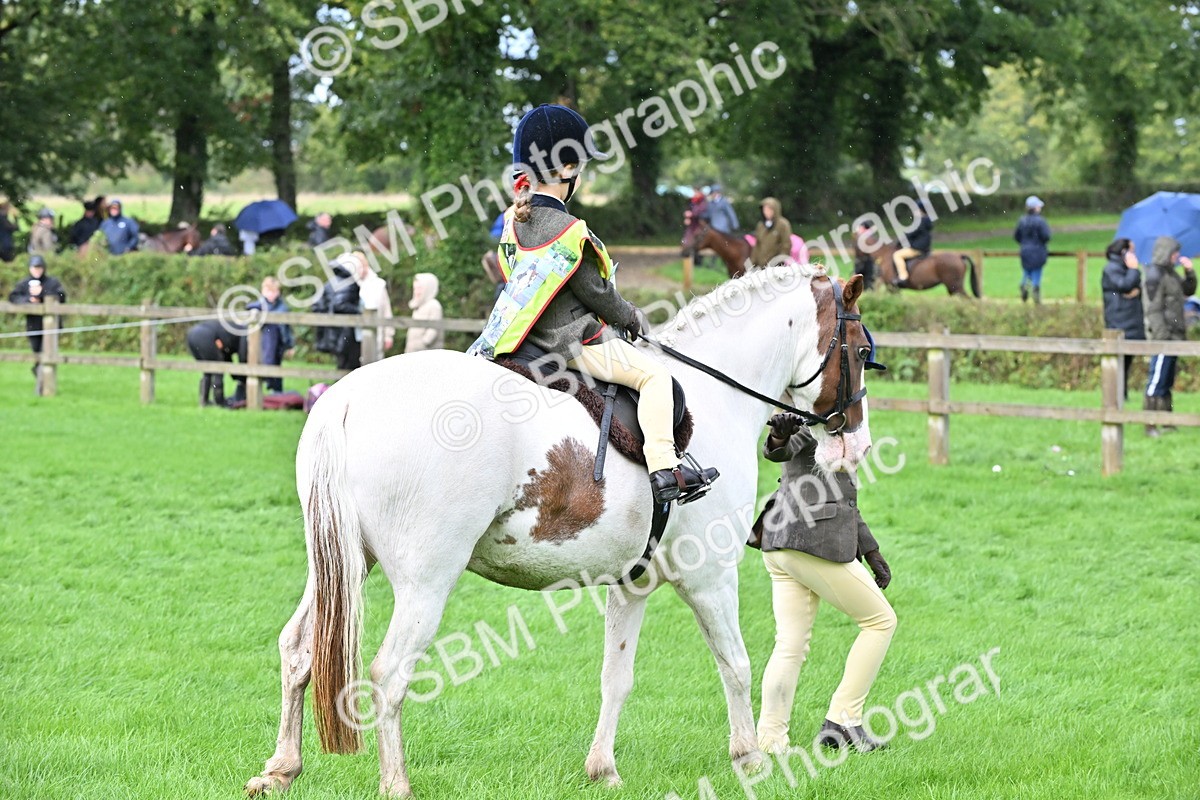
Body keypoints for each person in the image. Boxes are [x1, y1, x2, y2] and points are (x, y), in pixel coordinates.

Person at [467, 103, 718, 504]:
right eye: (579, 166)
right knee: (655, 378)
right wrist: (631, 315)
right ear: (567, 170)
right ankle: (664, 468)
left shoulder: (514, 223)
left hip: (522, 340)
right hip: (572, 344)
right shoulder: (570, 231)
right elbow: (596, 292)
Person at [749, 411, 895, 755]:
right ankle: (843, 722)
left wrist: (870, 549)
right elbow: (781, 449)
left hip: (780, 543)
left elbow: (844, 498)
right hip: (812, 541)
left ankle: (770, 741)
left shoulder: (840, 422)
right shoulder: (809, 412)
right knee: (880, 621)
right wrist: (779, 437)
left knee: (790, 644)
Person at [1143, 235, 1196, 436]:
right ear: (1166, 253)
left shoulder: (1171, 274)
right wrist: (1162, 336)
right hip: (1163, 337)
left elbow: (1188, 290)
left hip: (1175, 337)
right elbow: (1153, 309)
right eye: (1174, 253)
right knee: (1156, 381)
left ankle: (1167, 421)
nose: (1176, 256)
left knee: (1167, 381)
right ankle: (1149, 423)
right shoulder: (1155, 275)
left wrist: (1189, 272)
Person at [1101, 238, 1144, 399]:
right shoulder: (1112, 269)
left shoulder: (1124, 268)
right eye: (1131, 250)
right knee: (1119, 362)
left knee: (1126, 362)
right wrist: (1134, 270)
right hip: (1119, 321)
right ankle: (1117, 395)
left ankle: (1122, 394)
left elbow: (1134, 287)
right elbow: (1124, 285)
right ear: (1123, 251)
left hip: (1129, 321)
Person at [311, 255, 363, 371]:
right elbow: (340, 305)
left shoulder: (332, 282)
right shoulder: (348, 284)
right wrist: (359, 313)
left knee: (343, 365)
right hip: (345, 332)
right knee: (349, 367)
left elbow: (317, 305)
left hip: (333, 332)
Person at [246, 276, 294, 393]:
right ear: (263, 291)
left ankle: (276, 392)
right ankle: (264, 389)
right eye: (269, 291)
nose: (271, 294)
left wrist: (289, 345)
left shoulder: (282, 308)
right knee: (264, 362)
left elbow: (287, 329)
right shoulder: (259, 305)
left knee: (276, 364)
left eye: (274, 291)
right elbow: (250, 308)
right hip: (263, 342)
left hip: (279, 342)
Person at [186, 318, 245, 407]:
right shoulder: (244, 332)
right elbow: (243, 357)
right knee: (218, 369)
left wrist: (235, 375)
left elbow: (227, 355)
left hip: (192, 334)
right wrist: (241, 376)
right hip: (205, 336)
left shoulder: (235, 330)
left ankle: (204, 401)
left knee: (207, 371)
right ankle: (220, 402)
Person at [1014, 196, 1052, 303]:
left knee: (1027, 270)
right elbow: (1046, 236)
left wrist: (1024, 243)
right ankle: (1035, 289)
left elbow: (1017, 236)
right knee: (1036, 271)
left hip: (1025, 250)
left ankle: (1024, 285)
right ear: (1035, 208)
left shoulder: (1022, 221)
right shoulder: (1041, 221)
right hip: (1038, 250)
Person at [891, 202, 933, 286]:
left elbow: (911, 233)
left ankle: (903, 276)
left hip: (917, 248)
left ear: (920, 210)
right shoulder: (927, 221)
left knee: (897, 255)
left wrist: (899, 241)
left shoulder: (920, 221)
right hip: (924, 247)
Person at [749, 197, 794, 267]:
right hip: (761, 267)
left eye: (769, 209)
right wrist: (752, 263)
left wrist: (779, 262)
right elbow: (757, 246)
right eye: (764, 209)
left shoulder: (783, 224)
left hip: (776, 268)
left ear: (775, 210)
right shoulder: (761, 225)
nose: (766, 212)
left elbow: (786, 245)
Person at [405, 272, 444, 353]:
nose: (416, 291)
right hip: (414, 352)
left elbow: (433, 330)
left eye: (419, 288)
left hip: (427, 353)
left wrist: (423, 343)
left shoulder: (434, 305)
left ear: (428, 288)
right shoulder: (419, 306)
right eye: (415, 288)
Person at [853, 220, 878, 291]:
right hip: (861, 261)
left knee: (868, 280)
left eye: (861, 227)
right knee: (859, 280)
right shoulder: (860, 236)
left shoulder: (869, 237)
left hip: (868, 261)